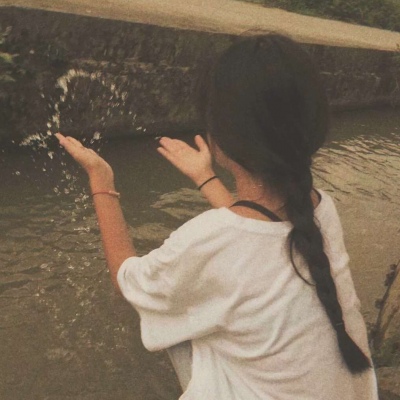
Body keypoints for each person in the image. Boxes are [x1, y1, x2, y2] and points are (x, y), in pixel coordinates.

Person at [56, 34, 378, 399]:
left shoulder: (208, 239)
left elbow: (126, 280)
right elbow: (251, 246)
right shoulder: (321, 207)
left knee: (172, 311)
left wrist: (101, 179)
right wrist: (205, 178)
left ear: (220, 135)